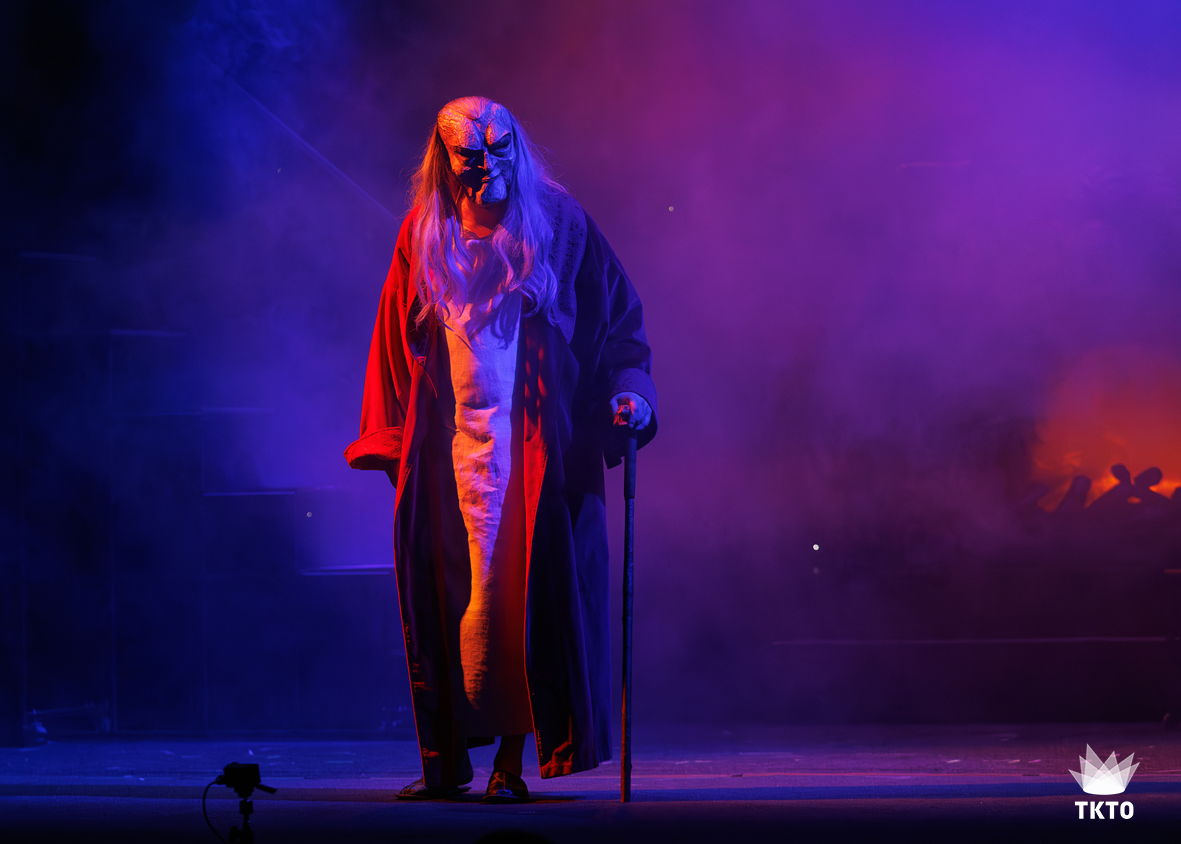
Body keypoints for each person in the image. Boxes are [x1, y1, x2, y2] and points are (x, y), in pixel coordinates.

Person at [345, 96, 657, 803]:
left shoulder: (559, 225)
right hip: (451, 459)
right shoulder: (425, 232)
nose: (488, 165)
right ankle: (447, 763)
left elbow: (620, 324)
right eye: (470, 154)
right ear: (445, 159)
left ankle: (510, 765)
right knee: (451, 608)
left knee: (519, 606)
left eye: (500, 147)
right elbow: (394, 343)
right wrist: (393, 441)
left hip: (534, 458)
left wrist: (631, 393)